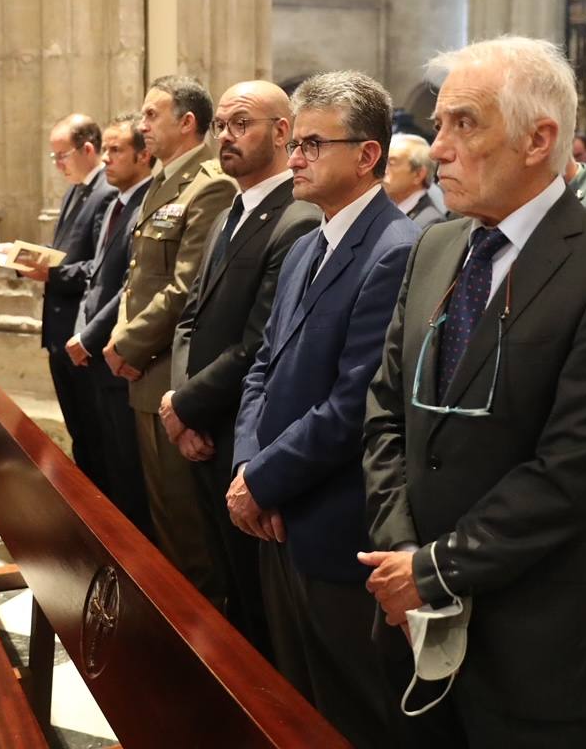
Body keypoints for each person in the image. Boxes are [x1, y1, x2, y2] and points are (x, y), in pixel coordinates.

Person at [360, 36, 586, 748]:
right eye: (439, 126)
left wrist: (433, 569)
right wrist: (399, 554)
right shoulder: (437, 245)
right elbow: (385, 410)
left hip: (527, 634)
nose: (438, 148)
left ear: (540, 139)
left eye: (463, 123)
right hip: (408, 612)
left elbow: (572, 469)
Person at [229, 71, 419, 747]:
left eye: (312, 143)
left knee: (355, 709)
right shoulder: (308, 241)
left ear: (367, 156)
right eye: (295, 143)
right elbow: (264, 365)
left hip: (337, 521)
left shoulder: (396, 252)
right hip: (278, 509)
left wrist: (265, 480)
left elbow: (354, 403)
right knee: (298, 698)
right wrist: (249, 469)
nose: (296, 158)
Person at [162, 81, 320, 649]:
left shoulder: (294, 219)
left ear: (282, 132)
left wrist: (185, 405)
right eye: (221, 125)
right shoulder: (234, 207)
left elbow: (258, 344)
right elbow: (191, 316)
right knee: (224, 585)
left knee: (256, 607)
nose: (226, 136)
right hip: (200, 425)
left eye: (242, 124)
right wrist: (178, 404)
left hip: (239, 435)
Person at [105, 76, 237, 604]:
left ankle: (203, 644)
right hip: (141, 370)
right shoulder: (160, 185)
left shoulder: (210, 185)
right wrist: (120, 339)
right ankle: (176, 624)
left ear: (187, 122)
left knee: (188, 531)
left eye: (152, 115)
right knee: (164, 519)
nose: (142, 126)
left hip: (167, 373)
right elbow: (137, 279)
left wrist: (126, 347)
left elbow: (186, 288)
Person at [64, 114, 154, 534]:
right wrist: (81, 329)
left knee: (125, 472)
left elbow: (130, 284)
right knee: (101, 457)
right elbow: (99, 275)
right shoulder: (117, 202)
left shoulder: (145, 203)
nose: (106, 158)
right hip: (93, 349)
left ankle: (129, 555)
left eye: (116, 150)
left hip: (115, 352)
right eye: (106, 149)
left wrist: (90, 334)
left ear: (143, 154)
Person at [32, 114, 114, 489]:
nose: (57, 164)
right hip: (58, 331)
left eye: (61, 155)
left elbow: (98, 270)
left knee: (97, 439)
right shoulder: (75, 191)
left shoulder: (106, 193)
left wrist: (49, 273)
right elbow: (68, 254)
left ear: (88, 149)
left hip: (82, 332)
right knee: (79, 433)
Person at [383, 134, 446, 228]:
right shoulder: (381, 209)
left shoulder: (430, 223)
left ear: (418, 175)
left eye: (391, 163)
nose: (383, 170)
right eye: (383, 162)